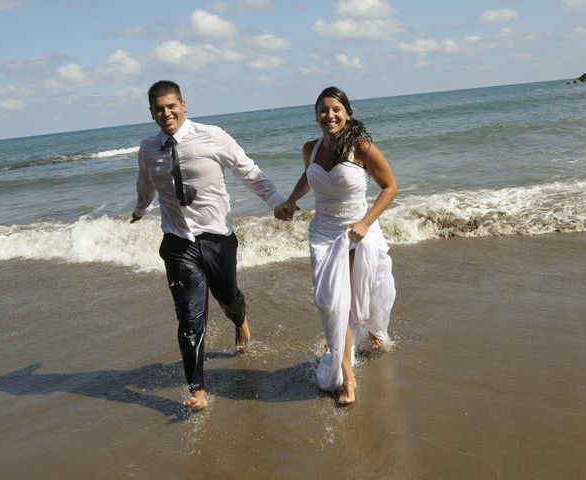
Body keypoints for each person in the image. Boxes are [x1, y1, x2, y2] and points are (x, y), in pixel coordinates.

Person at [131, 80, 284, 411]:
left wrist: (276, 201)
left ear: (184, 105)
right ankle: (196, 388)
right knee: (189, 316)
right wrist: (140, 209)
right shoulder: (147, 148)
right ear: (151, 113)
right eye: (159, 108)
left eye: (171, 106)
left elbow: (248, 170)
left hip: (217, 237)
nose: (166, 112)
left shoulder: (213, 136)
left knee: (228, 295)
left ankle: (240, 320)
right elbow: (145, 185)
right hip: (177, 241)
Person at [275, 86, 397, 405]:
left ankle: (372, 334)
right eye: (323, 110)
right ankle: (348, 378)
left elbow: (389, 187)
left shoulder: (362, 148)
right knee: (332, 303)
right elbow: (309, 177)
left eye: (335, 109)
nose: (329, 115)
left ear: (347, 113)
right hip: (324, 234)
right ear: (316, 115)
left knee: (363, 293)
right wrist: (290, 200)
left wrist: (366, 223)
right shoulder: (310, 149)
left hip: (359, 230)